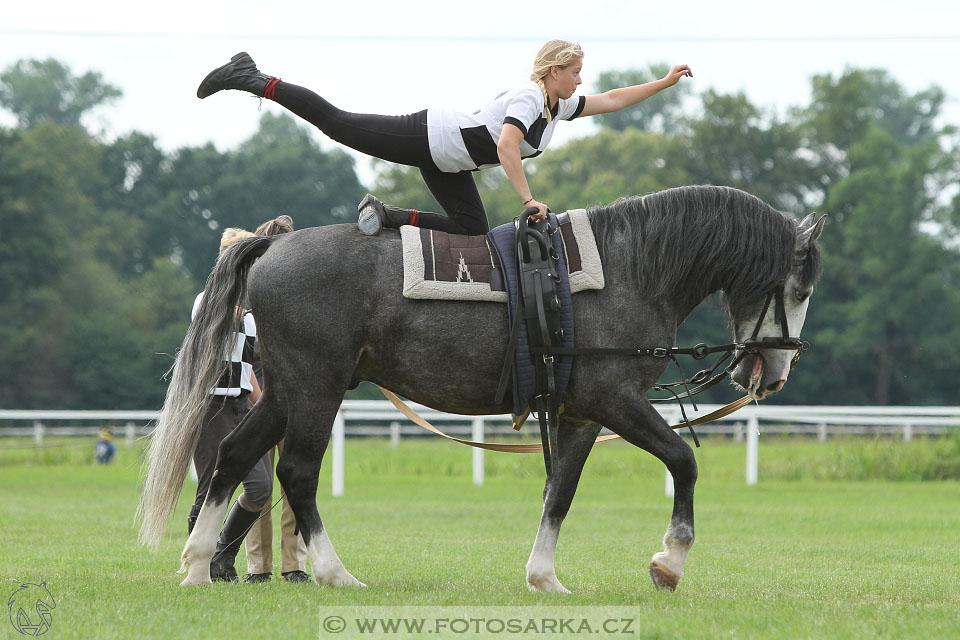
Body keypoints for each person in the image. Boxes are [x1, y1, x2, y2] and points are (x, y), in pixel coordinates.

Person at [196, 40, 692, 236]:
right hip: (429, 136)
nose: (582, 81)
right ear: (555, 71)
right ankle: (254, 78)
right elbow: (504, 147)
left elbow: (612, 100)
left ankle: (388, 217)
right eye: (577, 72)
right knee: (339, 123)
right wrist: (528, 199)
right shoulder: (527, 97)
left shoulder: (556, 104)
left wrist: (663, 83)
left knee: (472, 227)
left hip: (449, 162)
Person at [186, 227, 273, 582]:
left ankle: (223, 556)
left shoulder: (251, 312)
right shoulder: (205, 300)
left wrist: (268, 410)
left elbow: (248, 370)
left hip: (239, 406)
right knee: (209, 489)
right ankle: (198, 565)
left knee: (260, 488)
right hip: (210, 408)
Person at [239, 215, 312, 584]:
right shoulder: (246, 297)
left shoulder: (301, 296)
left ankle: (292, 564)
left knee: (296, 483)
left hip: (291, 397)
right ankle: (259, 566)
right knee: (260, 487)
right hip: (258, 395)